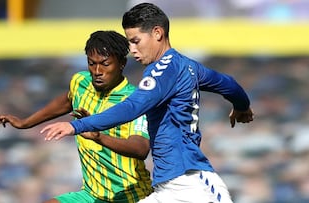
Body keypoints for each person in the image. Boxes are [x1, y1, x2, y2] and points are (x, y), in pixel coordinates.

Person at [40, 3, 254, 203]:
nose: (131, 49)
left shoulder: (162, 70)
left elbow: (133, 106)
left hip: (193, 184)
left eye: (135, 41)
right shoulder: (188, 66)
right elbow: (228, 84)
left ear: (157, 33)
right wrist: (241, 106)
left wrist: (75, 126)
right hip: (166, 189)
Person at [0, 30, 153, 203]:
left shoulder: (135, 100)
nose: (97, 71)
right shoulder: (80, 82)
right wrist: (26, 123)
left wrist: (98, 137)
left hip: (130, 196)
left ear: (121, 64)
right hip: (91, 195)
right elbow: (67, 100)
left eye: (105, 64)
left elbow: (140, 149)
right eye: (92, 63)